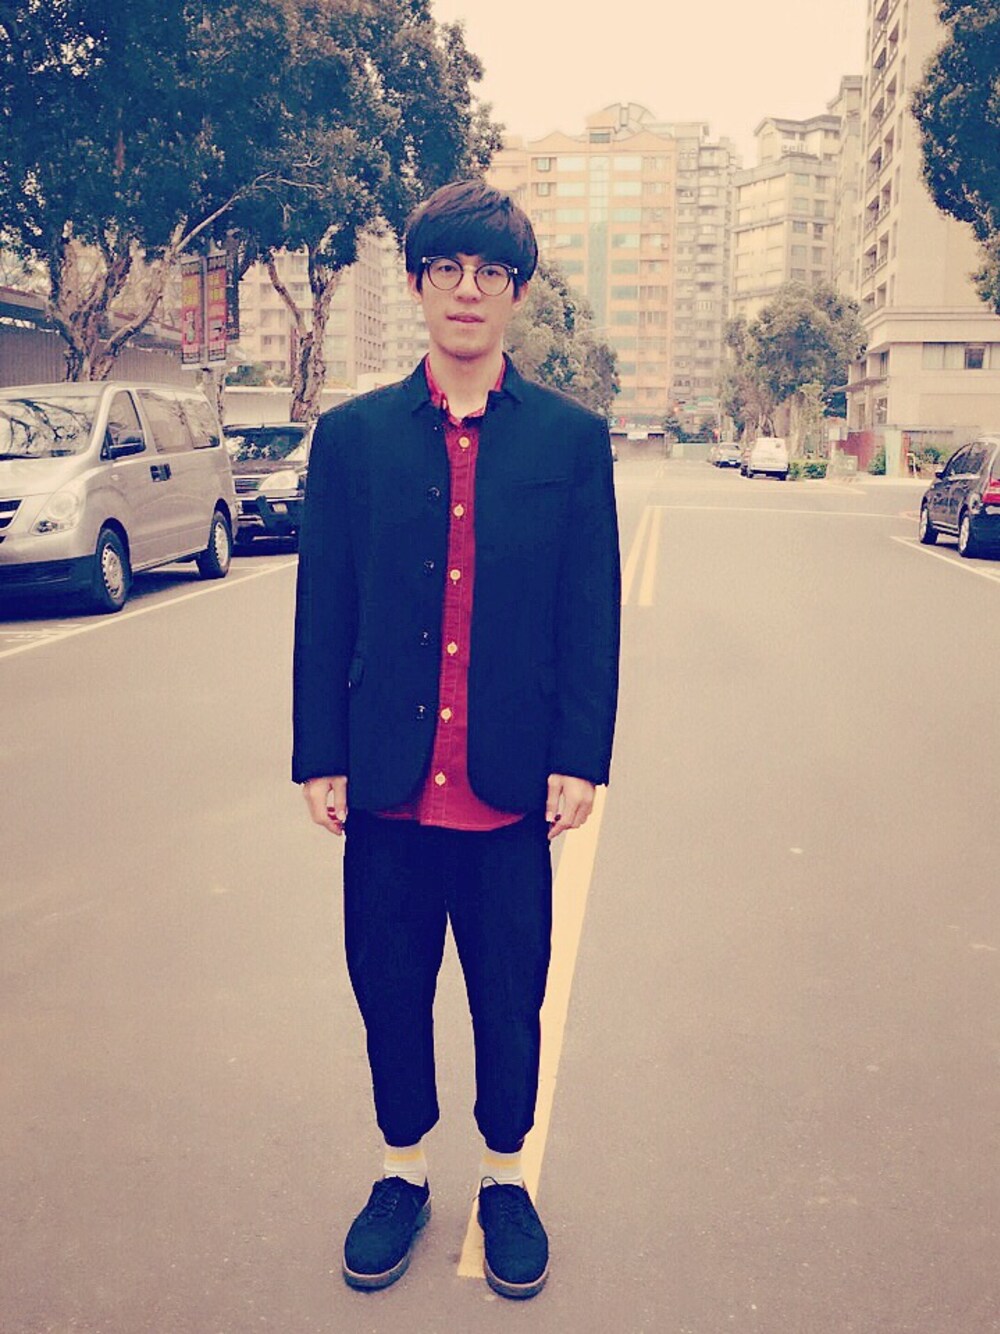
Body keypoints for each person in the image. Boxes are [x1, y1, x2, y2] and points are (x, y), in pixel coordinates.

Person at [292, 179, 620, 1300]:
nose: (467, 290)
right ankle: (401, 1173)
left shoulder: (571, 439)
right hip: (387, 787)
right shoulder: (353, 439)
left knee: (507, 997)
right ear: (419, 283)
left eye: (490, 272)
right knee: (388, 988)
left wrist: (581, 755)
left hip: (507, 788)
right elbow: (325, 605)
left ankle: (505, 1180)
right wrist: (318, 752)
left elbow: (589, 609)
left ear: (517, 293)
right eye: (447, 269)